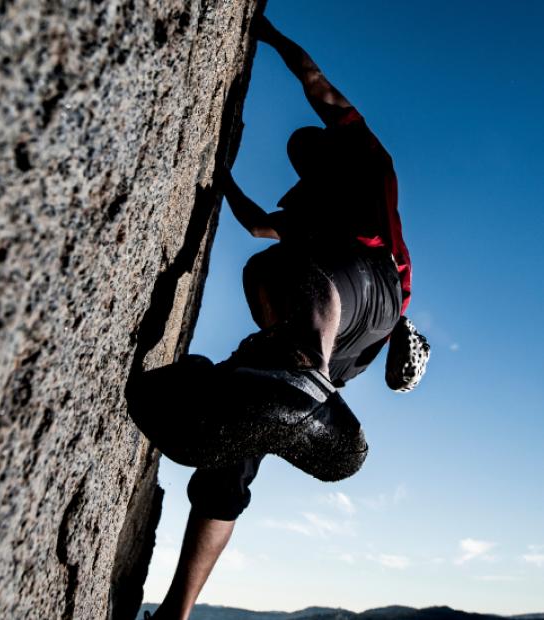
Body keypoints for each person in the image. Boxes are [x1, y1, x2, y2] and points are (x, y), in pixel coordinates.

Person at [131, 15, 426, 620]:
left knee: (279, 273)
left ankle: (303, 374)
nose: (304, 171)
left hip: (370, 289)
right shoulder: (312, 205)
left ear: (321, 151)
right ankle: (177, 611)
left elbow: (313, 80)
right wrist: (222, 181)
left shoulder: (365, 158)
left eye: (307, 157)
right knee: (237, 432)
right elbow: (257, 222)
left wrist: (263, 30)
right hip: (350, 336)